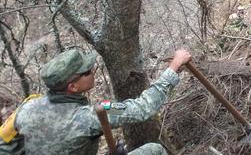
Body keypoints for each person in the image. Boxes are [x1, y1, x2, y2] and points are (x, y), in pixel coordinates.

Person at [3, 47, 192, 154]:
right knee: (154, 150)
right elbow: (143, 107)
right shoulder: (93, 116)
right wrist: (173, 68)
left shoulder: (27, 107)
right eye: (86, 72)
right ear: (73, 87)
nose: (93, 71)